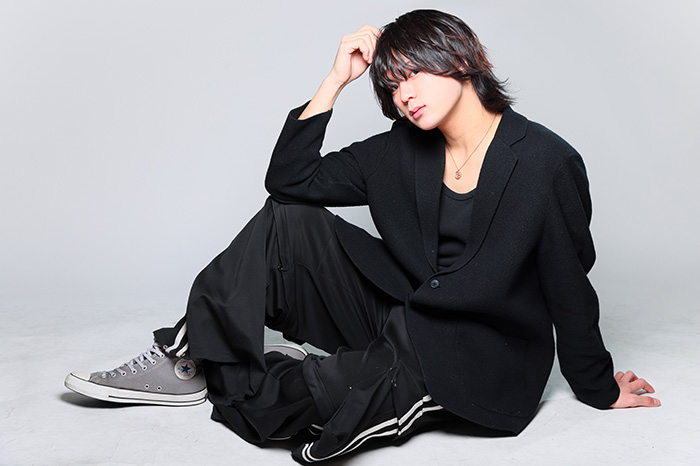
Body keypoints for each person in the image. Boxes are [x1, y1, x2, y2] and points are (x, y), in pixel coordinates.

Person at [64, 9, 659, 463]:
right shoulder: (399, 150)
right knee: (288, 218)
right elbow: (290, 182)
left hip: (475, 356)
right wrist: (335, 80)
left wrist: (597, 385)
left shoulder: (545, 162)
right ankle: (185, 360)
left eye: (414, 73)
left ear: (459, 58)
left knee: (298, 403)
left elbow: (567, 283)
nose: (404, 94)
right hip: (399, 310)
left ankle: (251, 362)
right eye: (391, 85)